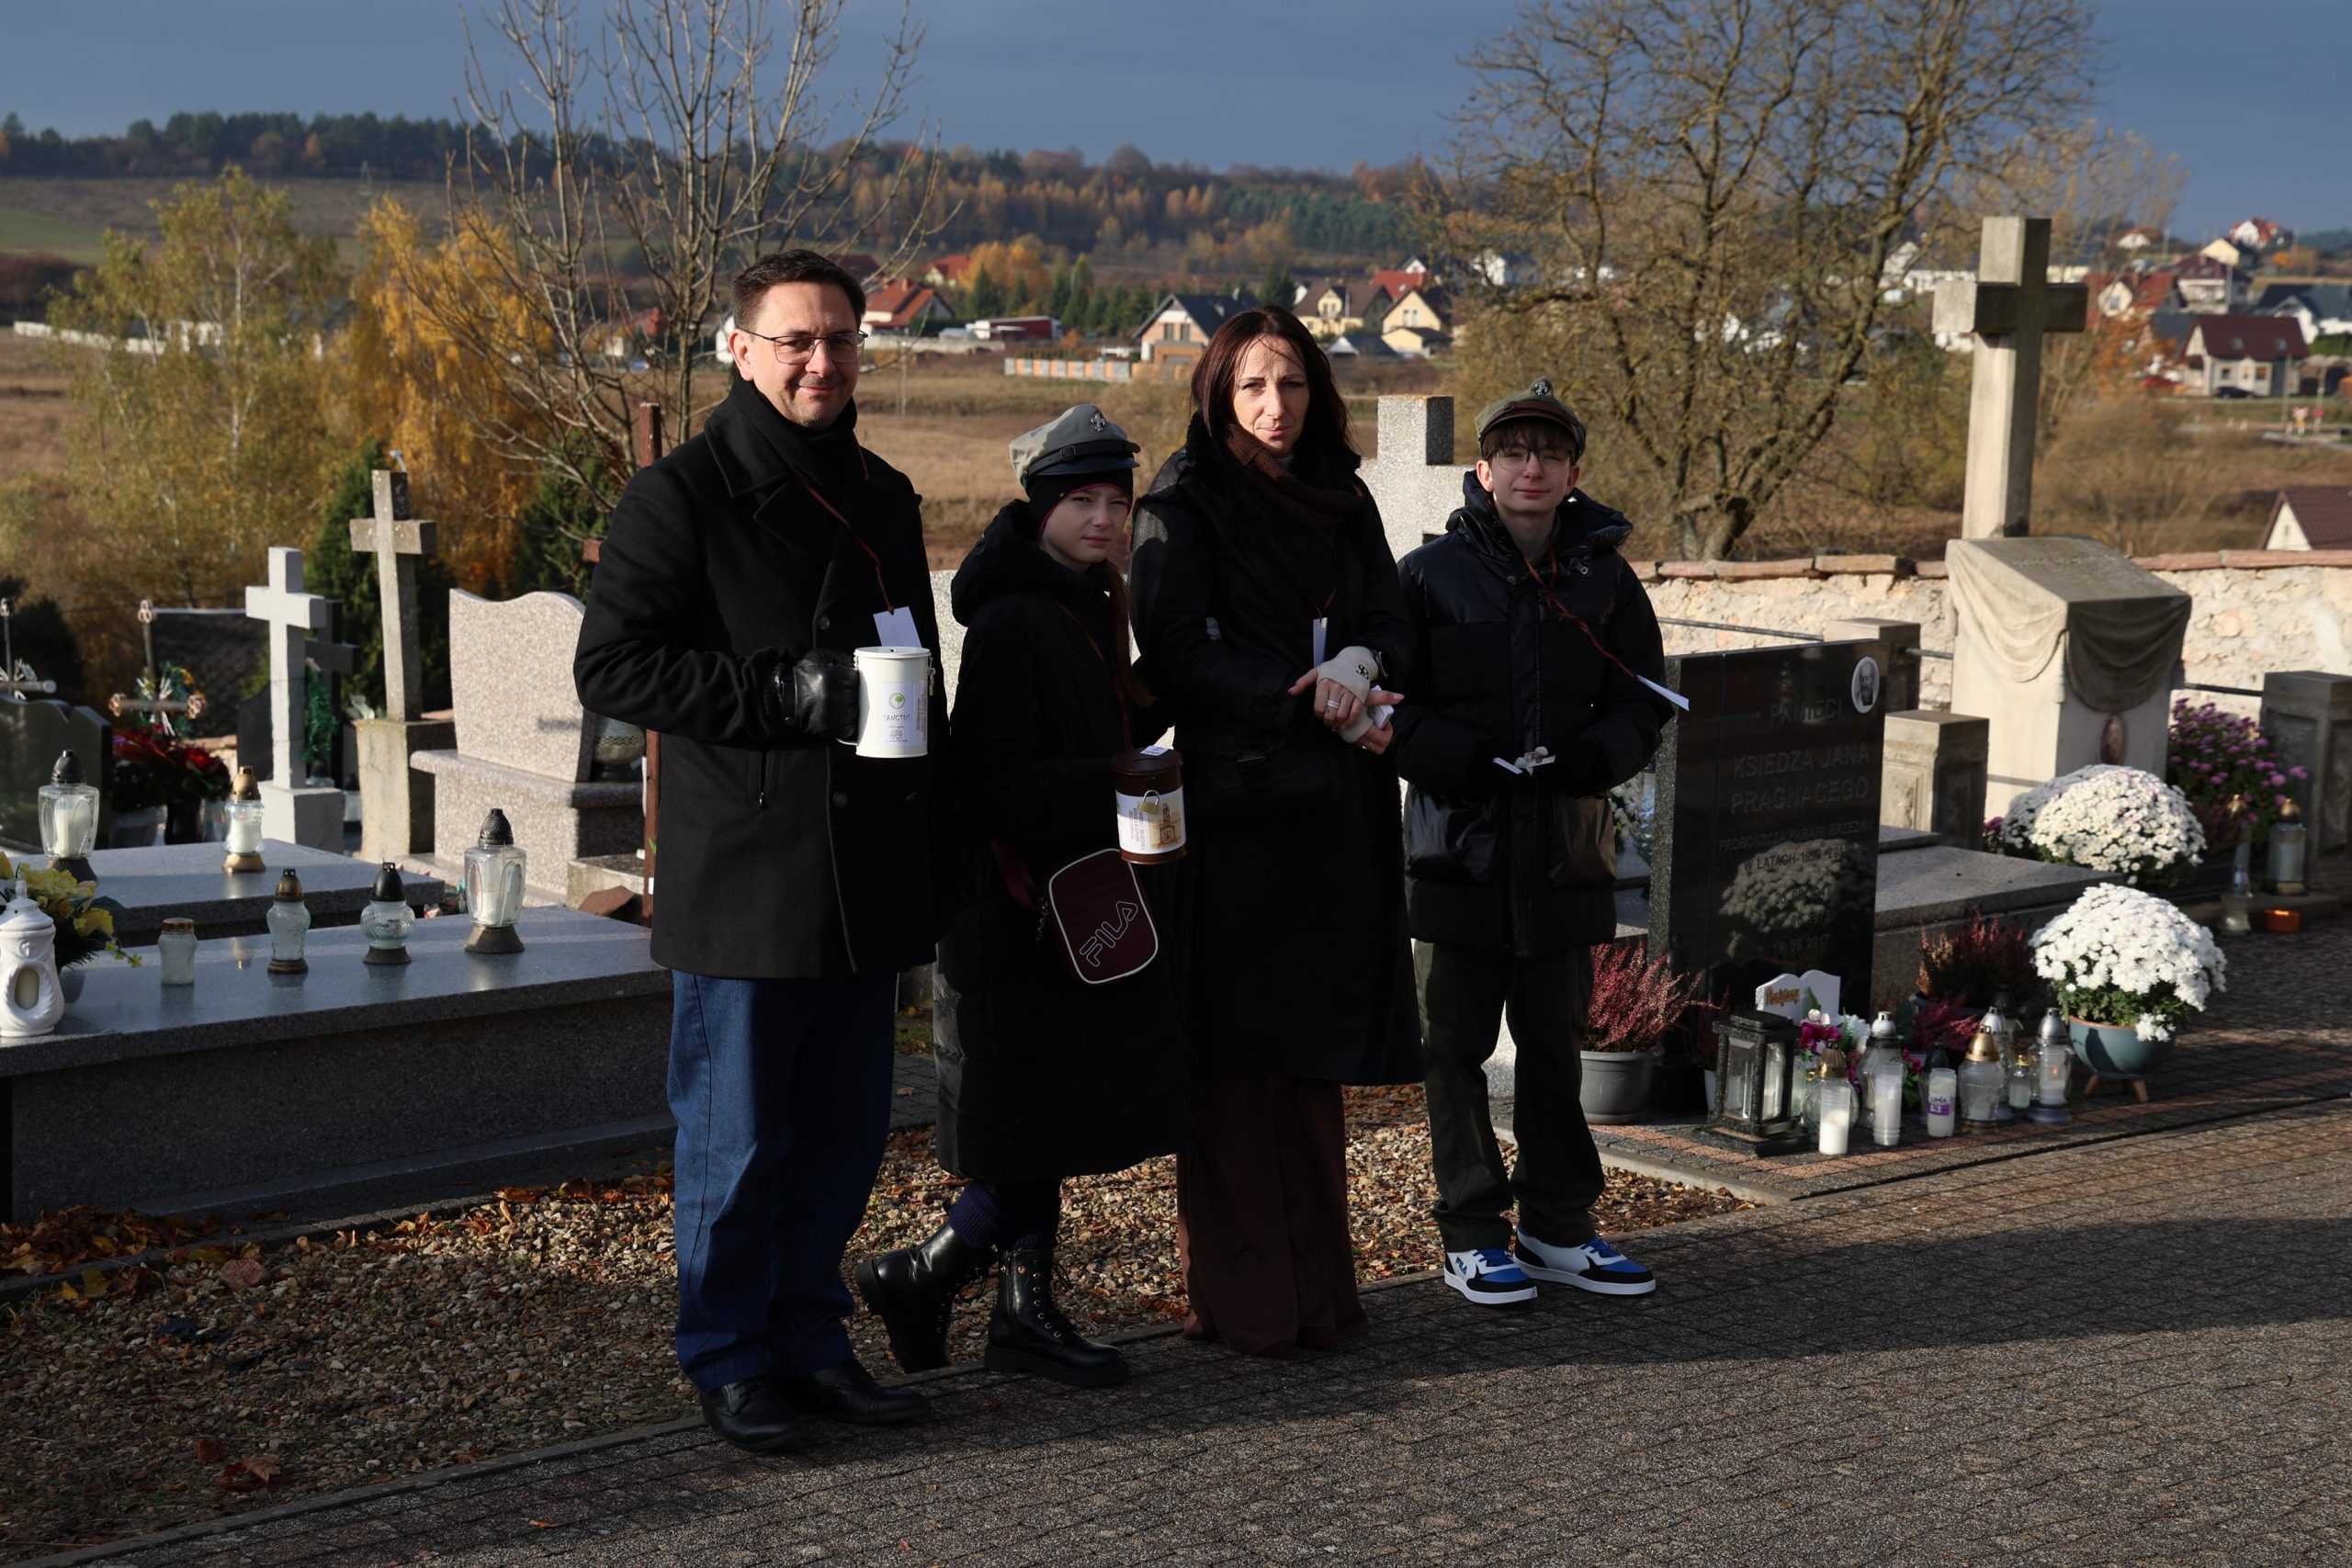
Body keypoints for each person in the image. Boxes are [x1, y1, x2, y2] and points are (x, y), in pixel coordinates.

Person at [574, 249, 950, 1450]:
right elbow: (614, 666)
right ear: (740, 350)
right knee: (735, 1142)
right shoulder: (681, 497)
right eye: (795, 340)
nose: (822, 362)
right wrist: (783, 692)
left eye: (838, 340)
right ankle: (730, 1352)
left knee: (841, 1138)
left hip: (863, 876)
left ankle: (809, 1333)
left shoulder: (886, 494)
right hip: (746, 874)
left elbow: (917, 663)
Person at [854, 405, 1189, 1389]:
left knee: (1046, 1119)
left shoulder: (1085, 601)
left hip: (1062, 905)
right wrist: (1116, 773)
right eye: (1081, 501)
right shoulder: (1011, 621)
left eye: (1116, 503)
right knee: (1033, 1122)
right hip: (1016, 912)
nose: (1102, 519)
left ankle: (982, 1298)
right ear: (1038, 507)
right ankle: (952, 1286)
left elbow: (1095, 714)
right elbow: (996, 784)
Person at [1128, 307, 1420, 1358]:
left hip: (1332, 811)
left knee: (1307, 1050)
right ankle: (1249, 1299)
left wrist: (1360, 669)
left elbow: (1390, 618)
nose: (1274, 407)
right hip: (1239, 808)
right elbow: (1170, 649)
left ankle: (1320, 1292)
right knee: (1238, 1054)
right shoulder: (1187, 497)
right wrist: (1299, 695)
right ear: (1218, 393)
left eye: (1290, 383)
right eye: (1252, 386)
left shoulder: (1343, 495)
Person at [1387, 378, 1674, 1306]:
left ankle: (1558, 1226)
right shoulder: (1428, 577)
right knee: (1451, 1047)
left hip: (1562, 848)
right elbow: (1392, 705)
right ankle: (1471, 1232)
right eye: (1513, 452)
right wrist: (1463, 755)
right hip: (1457, 849)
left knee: (1553, 1047)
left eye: (1548, 453)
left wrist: (1593, 756)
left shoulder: (1603, 575)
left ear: (1572, 472)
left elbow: (1645, 700)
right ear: (1483, 469)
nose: (1530, 467)